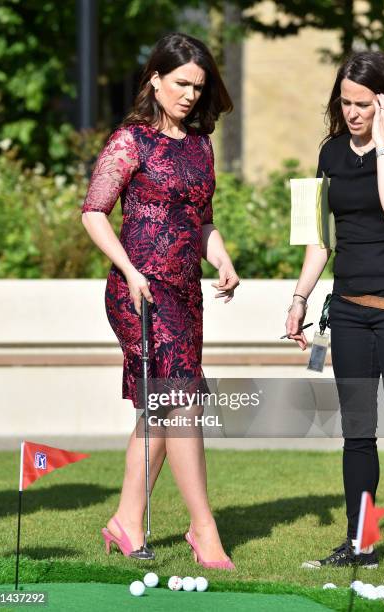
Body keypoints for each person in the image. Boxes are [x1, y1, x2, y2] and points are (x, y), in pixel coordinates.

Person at [81, 32, 239, 569]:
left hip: (185, 293)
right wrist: (129, 270)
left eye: (199, 85)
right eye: (181, 83)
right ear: (155, 78)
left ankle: (127, 521)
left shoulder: (200, 145)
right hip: (139, 292)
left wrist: (221, 257)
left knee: (162, 408)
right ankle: (204, 528)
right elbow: (94, 212)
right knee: (182, 405)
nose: (192, 95)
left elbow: (202, 220)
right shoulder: (131, 141)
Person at [286, 50, 384, 569]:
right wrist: (299, 299)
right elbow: (317, 240)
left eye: (365, 104)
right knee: (358, 434)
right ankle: (360, 543)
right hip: (348, 312)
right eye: (346, 102)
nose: (353, 112)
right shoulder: (329, 153)